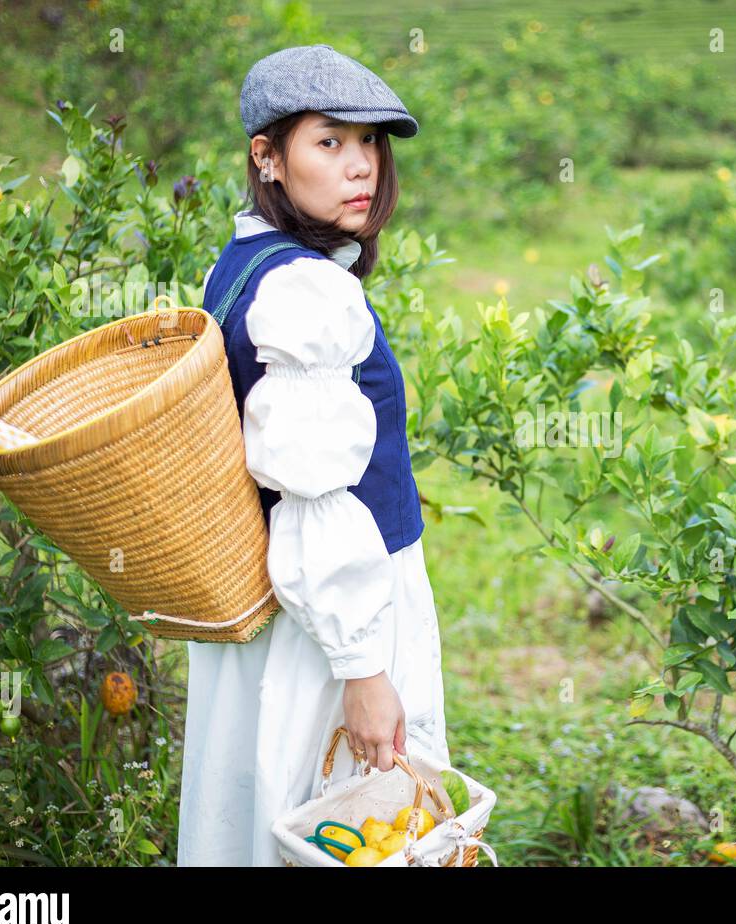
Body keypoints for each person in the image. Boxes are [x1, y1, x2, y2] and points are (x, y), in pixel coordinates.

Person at [177, 44, 449, 866]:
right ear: (268, 156)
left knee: (262, 815)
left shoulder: (245, 262)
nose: (360, 166)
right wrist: (363, 671)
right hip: (329, 624)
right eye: (329, 142)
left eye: (369, 143)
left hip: (287, 606)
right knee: (346, 825)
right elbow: (313, 494)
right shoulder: (307, 292)